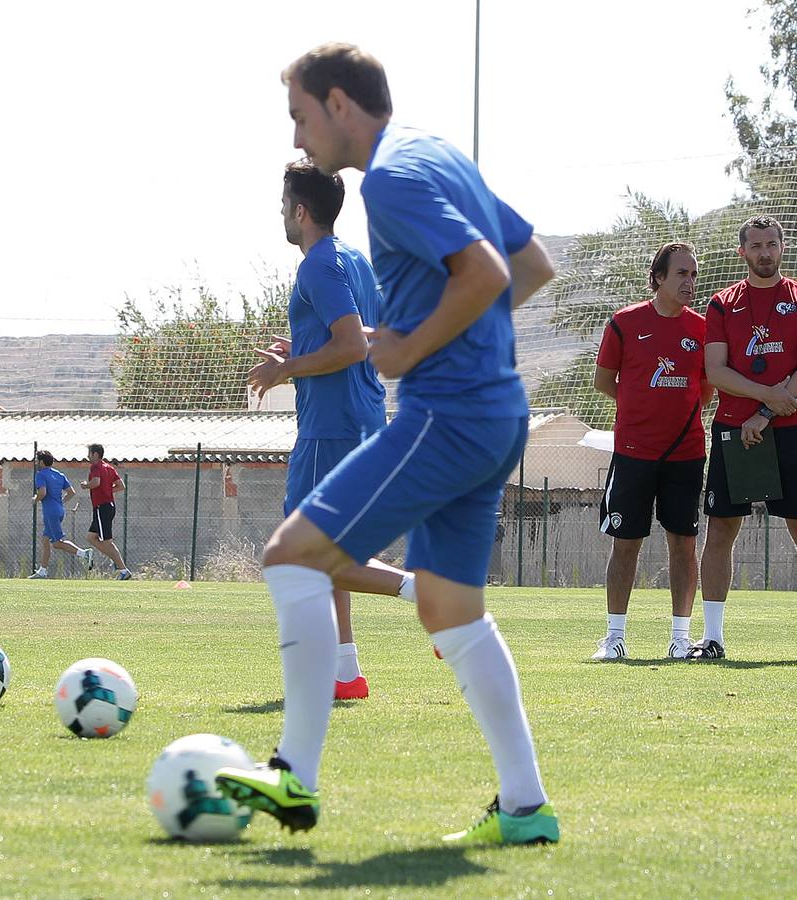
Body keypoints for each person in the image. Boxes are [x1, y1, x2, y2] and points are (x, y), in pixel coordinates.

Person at [214, 43, 560, 847]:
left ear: (339, 104)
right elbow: (531, 265)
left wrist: (412, 349)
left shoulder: (395, 179)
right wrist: (428, 337)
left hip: (450, 415)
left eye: (300, 117)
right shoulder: (433, 152)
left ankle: (294, 781)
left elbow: (484, 270)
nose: (299, 139)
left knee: (293, 555)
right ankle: (524, 808)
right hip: (495, 410)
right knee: (448, 606)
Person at [246, 159, 414, 700]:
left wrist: (285, 370)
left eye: (282, 203)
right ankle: (345, 672)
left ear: (301, 210)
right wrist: (301, 350)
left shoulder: (317, 265)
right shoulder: (354, 260)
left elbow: (349, 346)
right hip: (358, 420)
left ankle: (424, 592)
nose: (279, 213)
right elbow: (373, 334)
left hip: (331, 429)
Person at [694, 215, 797, 661]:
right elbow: (716, 371)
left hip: (790, 432)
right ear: (743, 253)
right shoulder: (722, 304)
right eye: (756, 246)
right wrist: (763, 400)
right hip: (734, 433)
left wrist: (766, 412)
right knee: (721, 530)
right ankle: (712, 638)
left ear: (782, 247)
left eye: (771, 244)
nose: (764, 252)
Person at [589, 242, 714, 661]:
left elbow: (706, 389)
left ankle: (681, 638)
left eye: (694, 274)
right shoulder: (625, 323)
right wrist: (638, 411)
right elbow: (604, 381)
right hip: (633, 453)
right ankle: (615, 637)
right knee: (626, 543)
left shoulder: (702, 328)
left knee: (683, 543)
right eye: (682, 273)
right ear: (658, 277)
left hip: (686, 454)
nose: (689, 282)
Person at [30, 450, 88, 578]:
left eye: (36, 460)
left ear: (41, 462)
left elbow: (42, 493)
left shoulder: (40, 475)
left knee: (56, 543)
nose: (35, 462)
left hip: (50, 512)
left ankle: (84, 554)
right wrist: (60, 503)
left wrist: (35, 499)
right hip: (59, 510)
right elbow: (71, 492)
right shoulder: (59, 475)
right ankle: (42, 571)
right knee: (45, 540)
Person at [83, 444, 132, 580]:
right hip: (108, 506)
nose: (88, 456)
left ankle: (123, 569)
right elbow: (121, 486)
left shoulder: (96, 466)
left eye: (90, 453)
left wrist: (85, 485)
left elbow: (96, 482)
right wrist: (108, 490)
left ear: (96, 454)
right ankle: (117, 562)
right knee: (91, 537)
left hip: (102, 507)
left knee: (106, 541)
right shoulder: (109, 468)